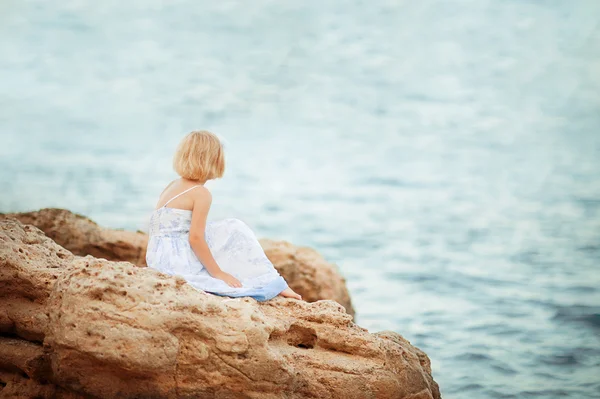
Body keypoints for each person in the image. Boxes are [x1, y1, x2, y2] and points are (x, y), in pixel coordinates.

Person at [146, 130, 302, 301]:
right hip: (177, 261)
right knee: (235, 228)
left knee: (224, 230)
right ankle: (273, 283)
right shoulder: (200, 193)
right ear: (215, 160)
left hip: (158, 256)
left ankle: (272, 282)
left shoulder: (173, 185)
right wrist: (218, 273)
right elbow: (195, 238)